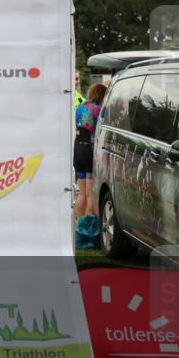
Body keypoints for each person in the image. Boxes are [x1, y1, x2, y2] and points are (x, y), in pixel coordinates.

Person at [74, 82, 107, 249]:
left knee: (81, 193)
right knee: (91, 194)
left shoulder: (80, 108)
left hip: (78, 148)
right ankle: (90, 234)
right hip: (90, 151)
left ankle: (80, 230)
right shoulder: (99, 109)